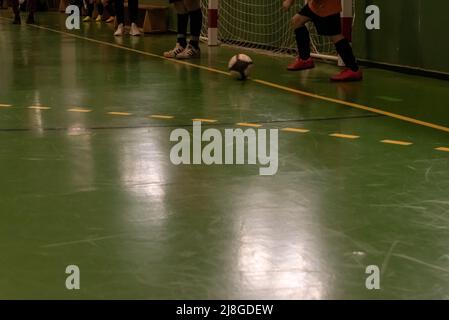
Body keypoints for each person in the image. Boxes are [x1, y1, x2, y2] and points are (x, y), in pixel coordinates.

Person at [283, 0, 362, 81]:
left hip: (326, 6)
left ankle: (353, 69)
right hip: (316, 5)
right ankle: (304, 59)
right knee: (297, 20)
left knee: (335, 36)